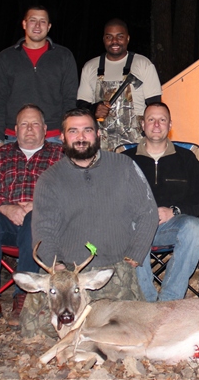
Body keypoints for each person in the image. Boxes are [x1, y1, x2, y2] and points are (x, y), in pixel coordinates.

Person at [31, 108, 158, 300]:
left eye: (87, 130)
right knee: (45, 328)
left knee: (118, 327)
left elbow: (148, 213)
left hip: (116, 269)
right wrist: (58, 269)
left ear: (98, 134)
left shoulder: (124, 166)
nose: (81, 137)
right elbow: (43, 230)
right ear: (62, 137)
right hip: (69, 273)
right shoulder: (49, 180)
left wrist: (133, 257)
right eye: (73, 131)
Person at [0, 104, 63, 327]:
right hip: (7, 224)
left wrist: (38, 204)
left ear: (45, 129)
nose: (29, 129)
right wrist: (4, 206)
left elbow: (72, 190)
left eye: (35, 124)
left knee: (34, 219)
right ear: (15, 130)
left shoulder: (60, 156)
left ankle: (23, 297)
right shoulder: (2, 155)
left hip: (42, 227)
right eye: (24, 124)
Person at [122, 103, 199, 301]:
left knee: (195, 227)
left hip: (171, 226)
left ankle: (169, 302)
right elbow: (111, 196)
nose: (156, 124)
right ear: (143, 125)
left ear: (170, 125)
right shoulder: (124, 160)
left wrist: (174, 211)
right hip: (135, 229)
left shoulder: (186, 158)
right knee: (126, 226)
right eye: (151, 119)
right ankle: (147, 302)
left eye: (162, 119)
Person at [0, 6, 78, 149]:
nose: (37, 25)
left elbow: (69, 99)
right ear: (24, 24)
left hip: (53, 137)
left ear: (49, 26)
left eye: (42, 21)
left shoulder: (64, 56)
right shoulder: (6, 57)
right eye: (33, 20)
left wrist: (66, 133)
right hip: (13, 137)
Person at [77, 18, 162, 151]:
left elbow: (155, 107)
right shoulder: (90, 67)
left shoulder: (143, 64)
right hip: (101, 143)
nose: (114, 41)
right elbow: (81, 108)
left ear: (127, 38)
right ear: (103, 39)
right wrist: (94, 109)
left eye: (120, 37)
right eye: (109, 37)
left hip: (136, 142)